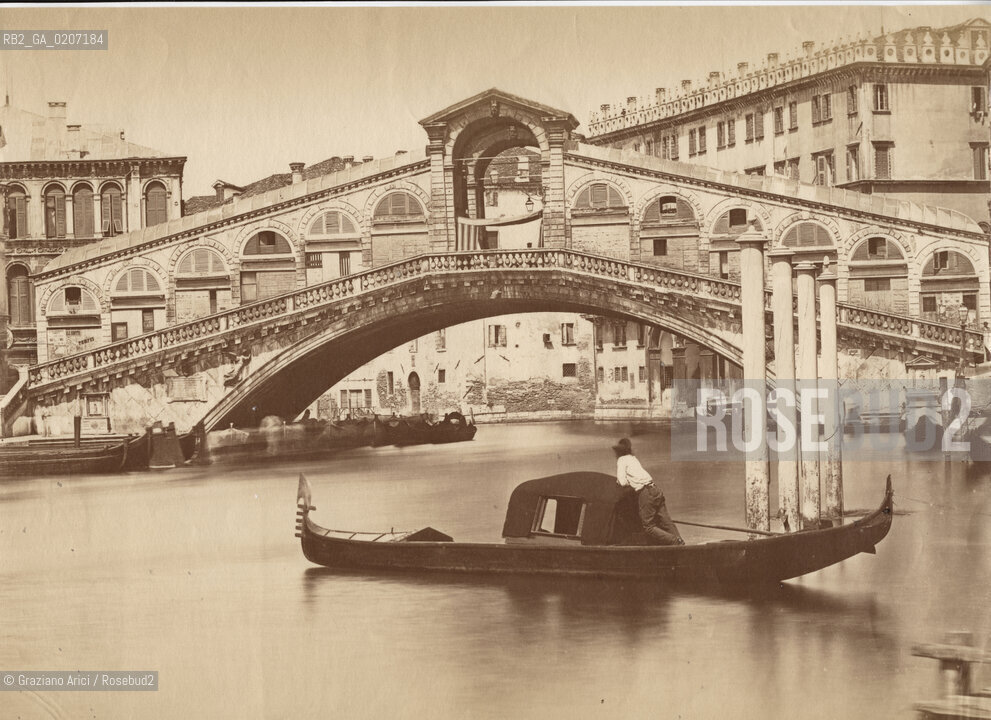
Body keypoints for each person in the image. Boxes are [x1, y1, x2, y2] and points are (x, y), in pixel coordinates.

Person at [612, 437, 684, 546]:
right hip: (656, 490)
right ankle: (681, 545)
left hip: (645, 493)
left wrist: (620, 481)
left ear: (619, 452)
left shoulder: (621, 460)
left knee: (648, 527)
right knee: (666, 522)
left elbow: (622, 482)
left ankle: (674, 541)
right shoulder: (633, 458)